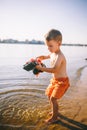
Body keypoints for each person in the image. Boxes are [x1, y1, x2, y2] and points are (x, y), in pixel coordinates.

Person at [36, 29, 70, 124]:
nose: (49, 48)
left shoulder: (60, 56)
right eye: (47, 46)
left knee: (53, 98)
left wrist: (41, 68)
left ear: (59, 43)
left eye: (50, 46)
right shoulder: (53, 53)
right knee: (49, 95)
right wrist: (42, 57)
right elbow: (48, 56)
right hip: (54, 80)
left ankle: (55, 118)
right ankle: (55, 111)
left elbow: (55, 69)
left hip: (62, 81)